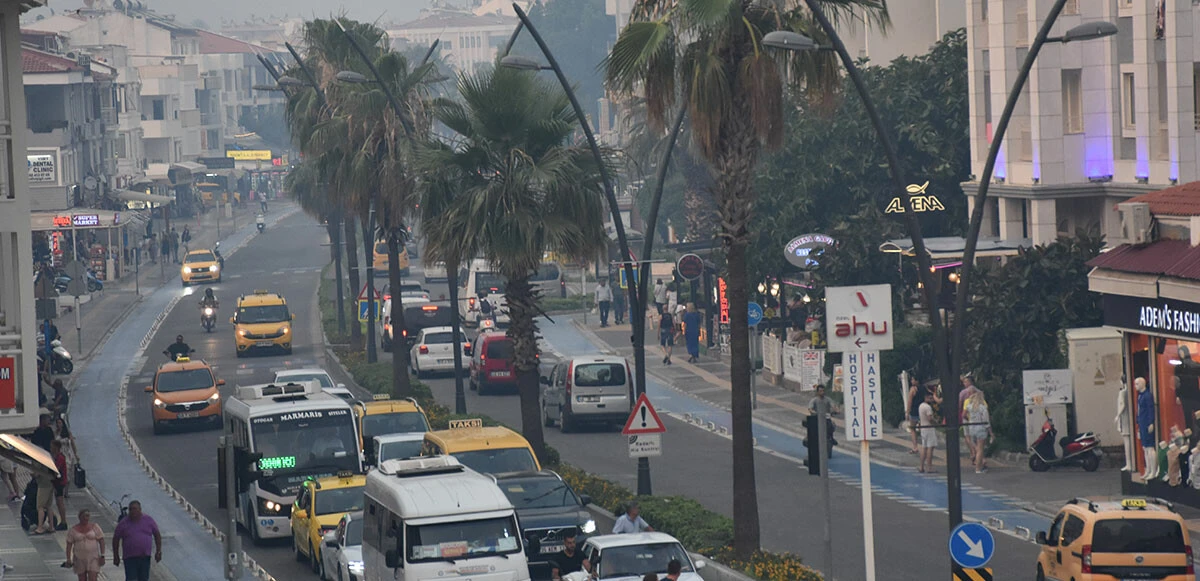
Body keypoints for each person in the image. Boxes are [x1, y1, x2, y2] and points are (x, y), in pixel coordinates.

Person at [112, 500, 162, 581]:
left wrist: (158, 551)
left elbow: (157, 535)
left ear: (140, 509)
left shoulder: (148, 520)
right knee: (131, 579)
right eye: (130, 509)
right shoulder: (123, 523)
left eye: (135, 509)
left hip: (144, 557)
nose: (132, 511)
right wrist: (116, 555)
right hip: (130, 558)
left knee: (144, 578)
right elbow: (116, 539)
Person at [65, 508, 105, 581]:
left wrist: (102, 555)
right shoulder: (73, 530)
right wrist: (68, 559)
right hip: (79, 558)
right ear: (79, 517)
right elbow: (69, 545)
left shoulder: (95, 527)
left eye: (87, 516)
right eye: (84, 516)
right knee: (82, 579)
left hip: (93, 558)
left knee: (93, 578)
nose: (85, 518)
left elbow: (101, 540)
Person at [965, 391, 993, 473]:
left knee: (977, 448)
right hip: (981, 428)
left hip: (972, 428)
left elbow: (965, 415)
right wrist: (991, 432)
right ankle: (978, 468)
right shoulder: (983, 408)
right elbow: (986, 421)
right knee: (980, 449)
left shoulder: (969, 407)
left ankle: (979, 464)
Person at [918, 391, 938, 473]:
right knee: (930, 448)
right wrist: (936, 423)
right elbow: (930, 418)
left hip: (923, 428)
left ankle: (921, 466)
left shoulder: (921, 406)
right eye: (930, 397)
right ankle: (929, 467)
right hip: (929, 428)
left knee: (924, 447)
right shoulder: (928, 407)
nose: (932, 399)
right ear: (926, 397)